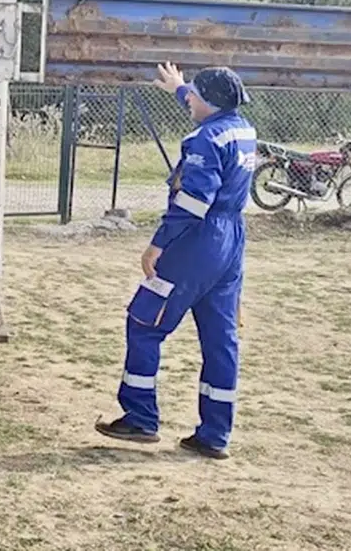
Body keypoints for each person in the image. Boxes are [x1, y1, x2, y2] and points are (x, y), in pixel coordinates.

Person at [94, 61, 255, 460]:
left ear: (210, 102)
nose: (190, 101)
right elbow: (208, 107)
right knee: (220, 339)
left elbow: (193, 201)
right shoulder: (241, 128)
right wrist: (180, 87)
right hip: (231, 241)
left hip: (194, 242)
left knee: (144, 322)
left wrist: (157, 244)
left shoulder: (204, 140)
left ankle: (140, 417)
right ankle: (215, 434)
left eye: (195, 96)